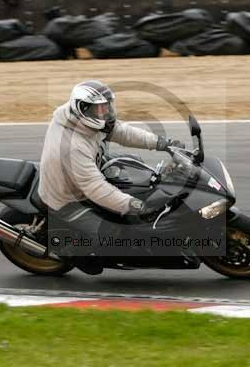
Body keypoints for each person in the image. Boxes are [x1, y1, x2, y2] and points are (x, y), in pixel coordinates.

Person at [37, 80, 184, 274]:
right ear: (84, 109)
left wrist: (161, 143)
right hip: (69, 199)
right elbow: (95, 188)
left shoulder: (79, 117)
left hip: (88, 168)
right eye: (100, 109)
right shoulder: (72, 147)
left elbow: (122, 132)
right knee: (113, 234)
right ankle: (75, 252)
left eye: (107, 106)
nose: (106, 112)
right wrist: (132, 205)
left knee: (135, 165)